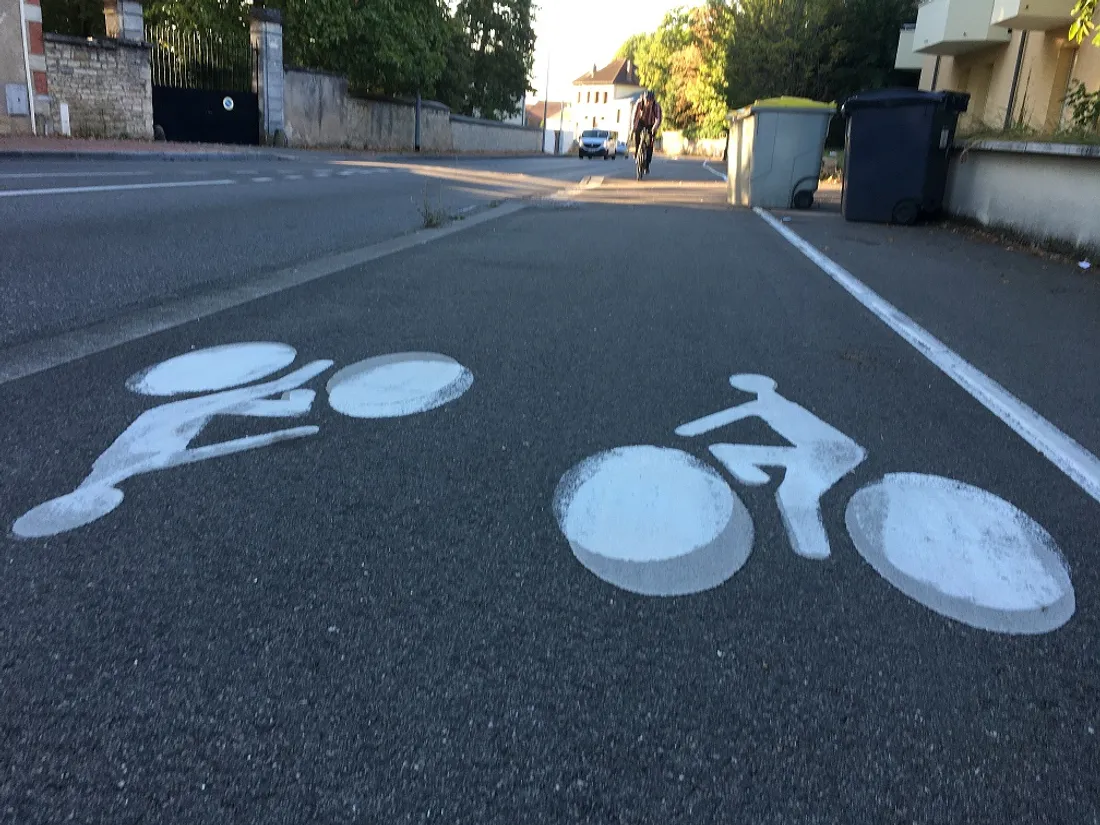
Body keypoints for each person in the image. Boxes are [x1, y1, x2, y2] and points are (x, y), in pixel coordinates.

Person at [632, 90, 663, 173]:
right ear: (644, 99)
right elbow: (634, 116)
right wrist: (633, 127)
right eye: (647, 101)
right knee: (637, 132)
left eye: (650, 101)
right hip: (641, 122)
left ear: (653, 100)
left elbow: (658, 119)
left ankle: (647, 165)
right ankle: (637, 151)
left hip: (652, 124)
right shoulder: (639, 103)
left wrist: (654, 128)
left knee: (650, 143)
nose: (648, 103)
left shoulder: (656, 107)